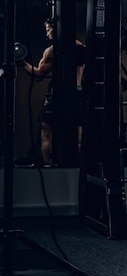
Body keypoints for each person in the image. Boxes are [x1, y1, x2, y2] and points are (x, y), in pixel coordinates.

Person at [21, 18, 86, 166]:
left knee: (46, 130)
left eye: (48, 30)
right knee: (78, 133)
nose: (47, 33)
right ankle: (80, 167)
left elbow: (38, 75)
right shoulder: (81, 47)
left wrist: (21, 62)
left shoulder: (52, 50)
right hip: (78, 93)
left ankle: (47, 165)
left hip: (58, 94)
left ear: (56, 29)